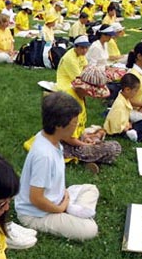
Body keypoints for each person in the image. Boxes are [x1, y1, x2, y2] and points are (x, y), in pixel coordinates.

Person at [16, 92, 99, 241]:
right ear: (59, 125)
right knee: (90, 229)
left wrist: (63, 195)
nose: (76, 127)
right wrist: (60, 208)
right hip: (37, 214)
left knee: (91, 189)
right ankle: (71, 210)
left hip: (57, 198)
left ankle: (71, 208)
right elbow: (36, 198)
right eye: (74, 123)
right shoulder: (44, 156)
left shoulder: (52, 140)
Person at [56, 66, 122, 169]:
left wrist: (85, 137)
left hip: (74, 139)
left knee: (99, 134)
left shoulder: (78, 97)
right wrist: (85, 144)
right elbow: (67, 137)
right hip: (64, 145)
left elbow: (78, 127)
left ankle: (90, 158)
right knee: (114, 147)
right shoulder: (70, 103)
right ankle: (85, 158)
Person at [104, 74, 142, 142]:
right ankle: (133, 135)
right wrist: (125, 128)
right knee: (141, 129)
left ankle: (134, 133)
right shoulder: (119, 105)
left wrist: (128, 124)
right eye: (135, 91)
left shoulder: (124, 99)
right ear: (127, 90)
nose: (136, 93)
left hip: (124, 126)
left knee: (141, 123)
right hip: (117, 131)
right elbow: (115, 124)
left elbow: (124, 118)